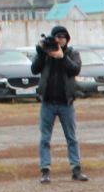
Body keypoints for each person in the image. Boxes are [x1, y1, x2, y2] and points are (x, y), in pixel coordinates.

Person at [32, 25, 85, 183]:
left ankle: (76, 169)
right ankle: (45, 170)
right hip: (48, 102)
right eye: (57, 37)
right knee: (45, 138)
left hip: (65, 102)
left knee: (71, 138)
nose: (60, 40)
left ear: (67, 39)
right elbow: (34, 69)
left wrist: (62, 57)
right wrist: (41, 53)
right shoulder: (46, 54)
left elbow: (75, 70)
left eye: (63, 37)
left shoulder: (72, 53)